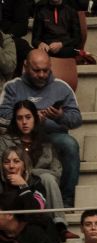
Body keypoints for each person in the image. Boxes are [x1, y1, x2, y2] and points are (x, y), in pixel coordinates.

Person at [1, 50, 80, 211]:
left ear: (51, 67)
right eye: (36, 70)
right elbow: (2, 115)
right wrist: (29, 117)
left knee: (70, 144)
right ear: (25, 67)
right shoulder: (12, 87)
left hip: (51, 136)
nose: (42, 74)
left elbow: (76, 120)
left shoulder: (62, 87)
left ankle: (66, 200)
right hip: (18, 138)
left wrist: (59, 116)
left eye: (45, 70)